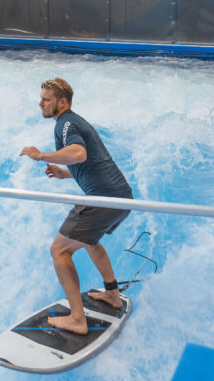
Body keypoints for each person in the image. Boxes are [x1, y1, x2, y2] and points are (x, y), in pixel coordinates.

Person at [19, 77, 134, 335]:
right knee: (91, 243)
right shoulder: (74, 121)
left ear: (62, 102)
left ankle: (77, 319)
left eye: (46, 99)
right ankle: (113, 295)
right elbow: (92, 162)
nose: (41, 103)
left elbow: (79, 154)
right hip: (120, 197)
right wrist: (67, 173)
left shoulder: (66, 124)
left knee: (59, 250)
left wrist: (41, 156)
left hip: (103, 199)